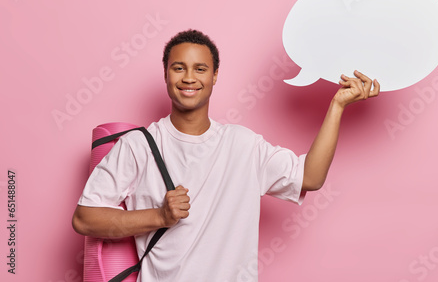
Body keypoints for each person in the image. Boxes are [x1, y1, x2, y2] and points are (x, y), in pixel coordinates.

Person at [72, 29, 380, 281]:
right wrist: (159, 216)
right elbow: (85, 219)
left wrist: (337, 106)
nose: (189, 78)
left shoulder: (242, 144)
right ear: (166, 74)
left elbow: (309, 177)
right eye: (179, 68)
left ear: (215, 76)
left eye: (200, 69)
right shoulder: (138, 145)